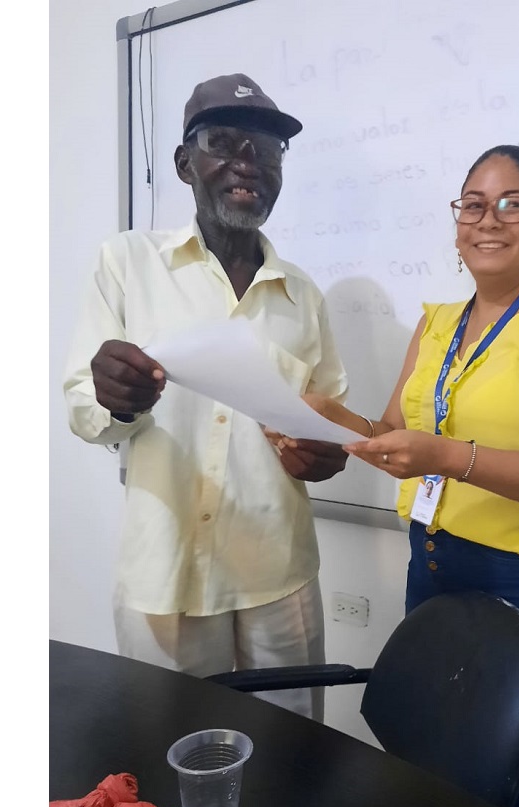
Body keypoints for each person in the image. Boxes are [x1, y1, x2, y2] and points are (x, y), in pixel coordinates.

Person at [301, 145, 519, 807]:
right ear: (456, 224)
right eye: (473, 204)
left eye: (512, 204)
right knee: (434, 767)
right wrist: (326, 418)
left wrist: (448, 457)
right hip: (432, 564)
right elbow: (393, 433)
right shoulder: (436, 323)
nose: (489, 219)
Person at [62, 74, 353, 722]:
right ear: (184, 162)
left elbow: (329, 418)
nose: (249, 162)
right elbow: (84, 409)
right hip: (166, 576)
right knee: (170, 752)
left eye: (268, 149)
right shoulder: (128, 263)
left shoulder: (302, 294)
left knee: (294, 749)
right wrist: (117, 400)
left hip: (280, 575)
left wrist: (326, 455)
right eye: (224, 142)